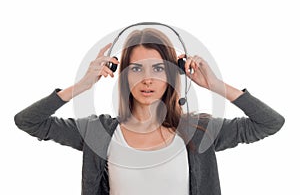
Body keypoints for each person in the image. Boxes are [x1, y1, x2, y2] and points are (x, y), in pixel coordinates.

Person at [14, 27, 285, 195]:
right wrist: (82, 85)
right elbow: (28, 121)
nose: (147, 79)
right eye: (136, 68)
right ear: (123, 76)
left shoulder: (199, 131)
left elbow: (269, 123)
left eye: (157, 68)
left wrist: (214, 84)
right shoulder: (99, 133)